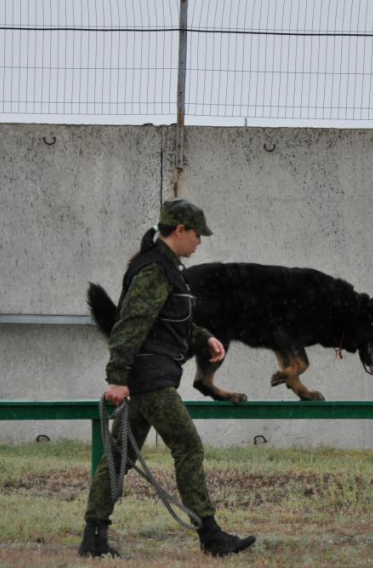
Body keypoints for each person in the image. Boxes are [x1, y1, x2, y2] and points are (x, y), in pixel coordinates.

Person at [78, 198, 257, 558]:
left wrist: (203, 337)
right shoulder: (154, 270)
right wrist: (117, 378)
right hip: (150, 378)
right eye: (197, 234)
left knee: (119, 455)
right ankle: (210, 535)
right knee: (188, 446)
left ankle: (93, 538)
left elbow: (171, 321)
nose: (200, 242)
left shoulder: (167, 269)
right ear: (180, 230)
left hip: (151, 375)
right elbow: (130, 324)